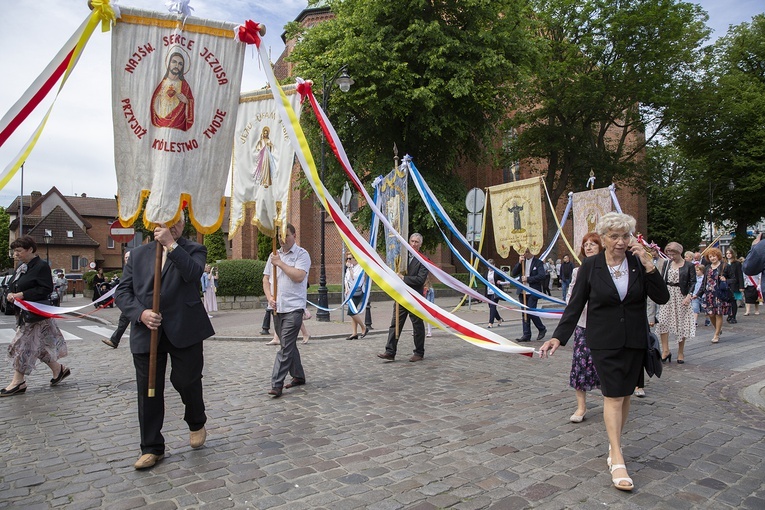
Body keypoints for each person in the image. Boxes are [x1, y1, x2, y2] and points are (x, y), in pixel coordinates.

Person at [540, 212, 669, 492]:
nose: (621, 242)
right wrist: (559, 338)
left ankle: (614, 446)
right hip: (603, 341)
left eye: (625, 236)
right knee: (612, 396)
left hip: (634, 341)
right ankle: (618, 457)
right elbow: (575, 304)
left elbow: (662, 297)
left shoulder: (638, 264)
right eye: (614, 236)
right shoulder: (591, 266)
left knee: (624, 396)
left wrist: (649, 265)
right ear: (603, 238)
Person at [115, 216, 213, 470]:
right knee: (149, 391)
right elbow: (122, 293)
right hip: (148, 331)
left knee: (186, 381)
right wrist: (140, 313)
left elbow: (192, 275)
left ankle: (196, 420)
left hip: (185, 327)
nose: (174, 227)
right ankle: (151, 447)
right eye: (168, 222)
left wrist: (172, 245)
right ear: (154, 224)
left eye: (178, 223)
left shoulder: (194, 249)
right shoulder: (137, 255)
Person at [2, 236, 70, 397]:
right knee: (39, 347)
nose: (16, 254)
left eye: (19, 251)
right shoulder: (21, 267)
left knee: (21, 346)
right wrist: (10, 294)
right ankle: (58, 370)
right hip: (25, 315)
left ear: (30, 249)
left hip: (36, 316)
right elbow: (13, 284)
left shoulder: (41, 266)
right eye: (14, 251)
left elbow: (45, 288)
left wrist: (22, 294)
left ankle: (18, 382)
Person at [262, 223, 310, 397]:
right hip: (277, 307)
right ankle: (298, 375)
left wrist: (280, 263)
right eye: (280, 237)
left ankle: (276, 384)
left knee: (286, 347)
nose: (283, 240)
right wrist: (269, 297)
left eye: (286, 236)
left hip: (294, 307)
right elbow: (266, 279)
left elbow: (299, 276)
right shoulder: (273, 255)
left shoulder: (302, 254)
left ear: (294, 235)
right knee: (287, 345)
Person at [566, 233, 603, 423]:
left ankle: (612, 403)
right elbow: (570, 298)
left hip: (605, 327)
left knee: (604, 366)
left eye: (593, 244)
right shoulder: (577, 272)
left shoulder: (607, 270)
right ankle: (581, 407)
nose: (588, 247)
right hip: (583, 324)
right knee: (580, 366)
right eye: (585, 245)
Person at [378, 233, 429, 362]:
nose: (413, 244)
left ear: (420, 244)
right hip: (401, 296)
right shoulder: (402, 257)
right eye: (412, 241)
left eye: (417, 242)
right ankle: (390, 351)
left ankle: (419, 352)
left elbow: (420, 279)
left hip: (414, 297)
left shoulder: (423, 260)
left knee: (417, 325)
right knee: (395, 324)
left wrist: (404, 278)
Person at [657, 242, 696, 364]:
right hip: (668, 293)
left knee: (681, 323)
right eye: (669, 253)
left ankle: (680, 352)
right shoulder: (667, 263)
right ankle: (665, 350)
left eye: (673, 253)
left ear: (679, 253)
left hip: (681, 294)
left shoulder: (688, 265)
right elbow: (663, 278)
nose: (671, 256)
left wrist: (689, 296)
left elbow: (693, 281)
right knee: (662, 322)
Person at [151, 51, 194, 131]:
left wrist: (187, 102)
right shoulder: (162, 83)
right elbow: (153, 102)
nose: (176, 65)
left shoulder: (185, 86)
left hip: (178, 125)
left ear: (182, 67)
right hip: (161, 123)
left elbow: (190, 101)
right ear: (169, 63)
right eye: (174, 62)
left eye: (180, 64)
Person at [511, 248, 547, 342]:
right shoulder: (522, 262)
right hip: (522, 291)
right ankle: (526, 334)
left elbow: (542, 275)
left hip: (532, 291)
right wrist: (519, 263)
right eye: (524, 252)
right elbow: (513, 273)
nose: (525, 254)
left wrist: (528, 279)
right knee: (525, 313)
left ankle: (541, 328)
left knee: (531, 311)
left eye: (527, 252)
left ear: (532, 252)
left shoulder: (538, 262)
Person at [696, 248, 729, 344]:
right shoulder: (707, 268)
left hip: (719, 294)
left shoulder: (724, 266)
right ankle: (718, 329)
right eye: (710, 257)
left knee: (718, 314)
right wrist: (698, 294)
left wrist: (725, 280)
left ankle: (716, 334)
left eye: (714, 256)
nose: (712, 258)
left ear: (718, 256)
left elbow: (733, 279)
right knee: (710, 314)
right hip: (709, 294)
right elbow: (704, 282)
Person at [103, 251, 132, 349]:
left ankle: (115, 340)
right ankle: (114, 341)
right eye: (126, 257)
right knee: (123, 321)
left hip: (135, 301)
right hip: (129, 301)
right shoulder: (126, 270)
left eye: (129, 257)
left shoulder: (136, 268)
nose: (127, 259)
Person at [344, 253, 368, 340]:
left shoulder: (360, 267)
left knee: (351, 312)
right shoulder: (350, 268)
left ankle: (364, 327)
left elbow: (355, 278)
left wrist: (350, 268)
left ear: (355, 259)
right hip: (350, 293)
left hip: (358, 292)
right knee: (353, 312)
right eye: (347, 259)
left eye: (350, 258)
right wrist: (346, 289)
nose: (348, 260)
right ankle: (354, 333)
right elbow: (346, 279)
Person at [724, 248, 744, 324]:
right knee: (728, 302)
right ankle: (729, 315)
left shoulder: (737, 263)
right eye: (727, 253)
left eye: (729, 253)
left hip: (735, 285)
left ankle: (733, 316)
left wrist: (741, 286)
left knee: (733, 301)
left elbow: (740, 275)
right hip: (727, 284)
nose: (728, 255)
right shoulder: (724, 263)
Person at [484, 259, 504, 328]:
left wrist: (499, 281)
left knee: (492, 306)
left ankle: (490, 323)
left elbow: (503, 279)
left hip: (495, 292)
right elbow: (484, 281)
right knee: (491, 307)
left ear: (494, 265)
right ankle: (499, 319)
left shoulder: (497, 272)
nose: (489, 267)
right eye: (488, 266)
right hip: (488, 291)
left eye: (491, 266)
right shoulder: (486, 273)